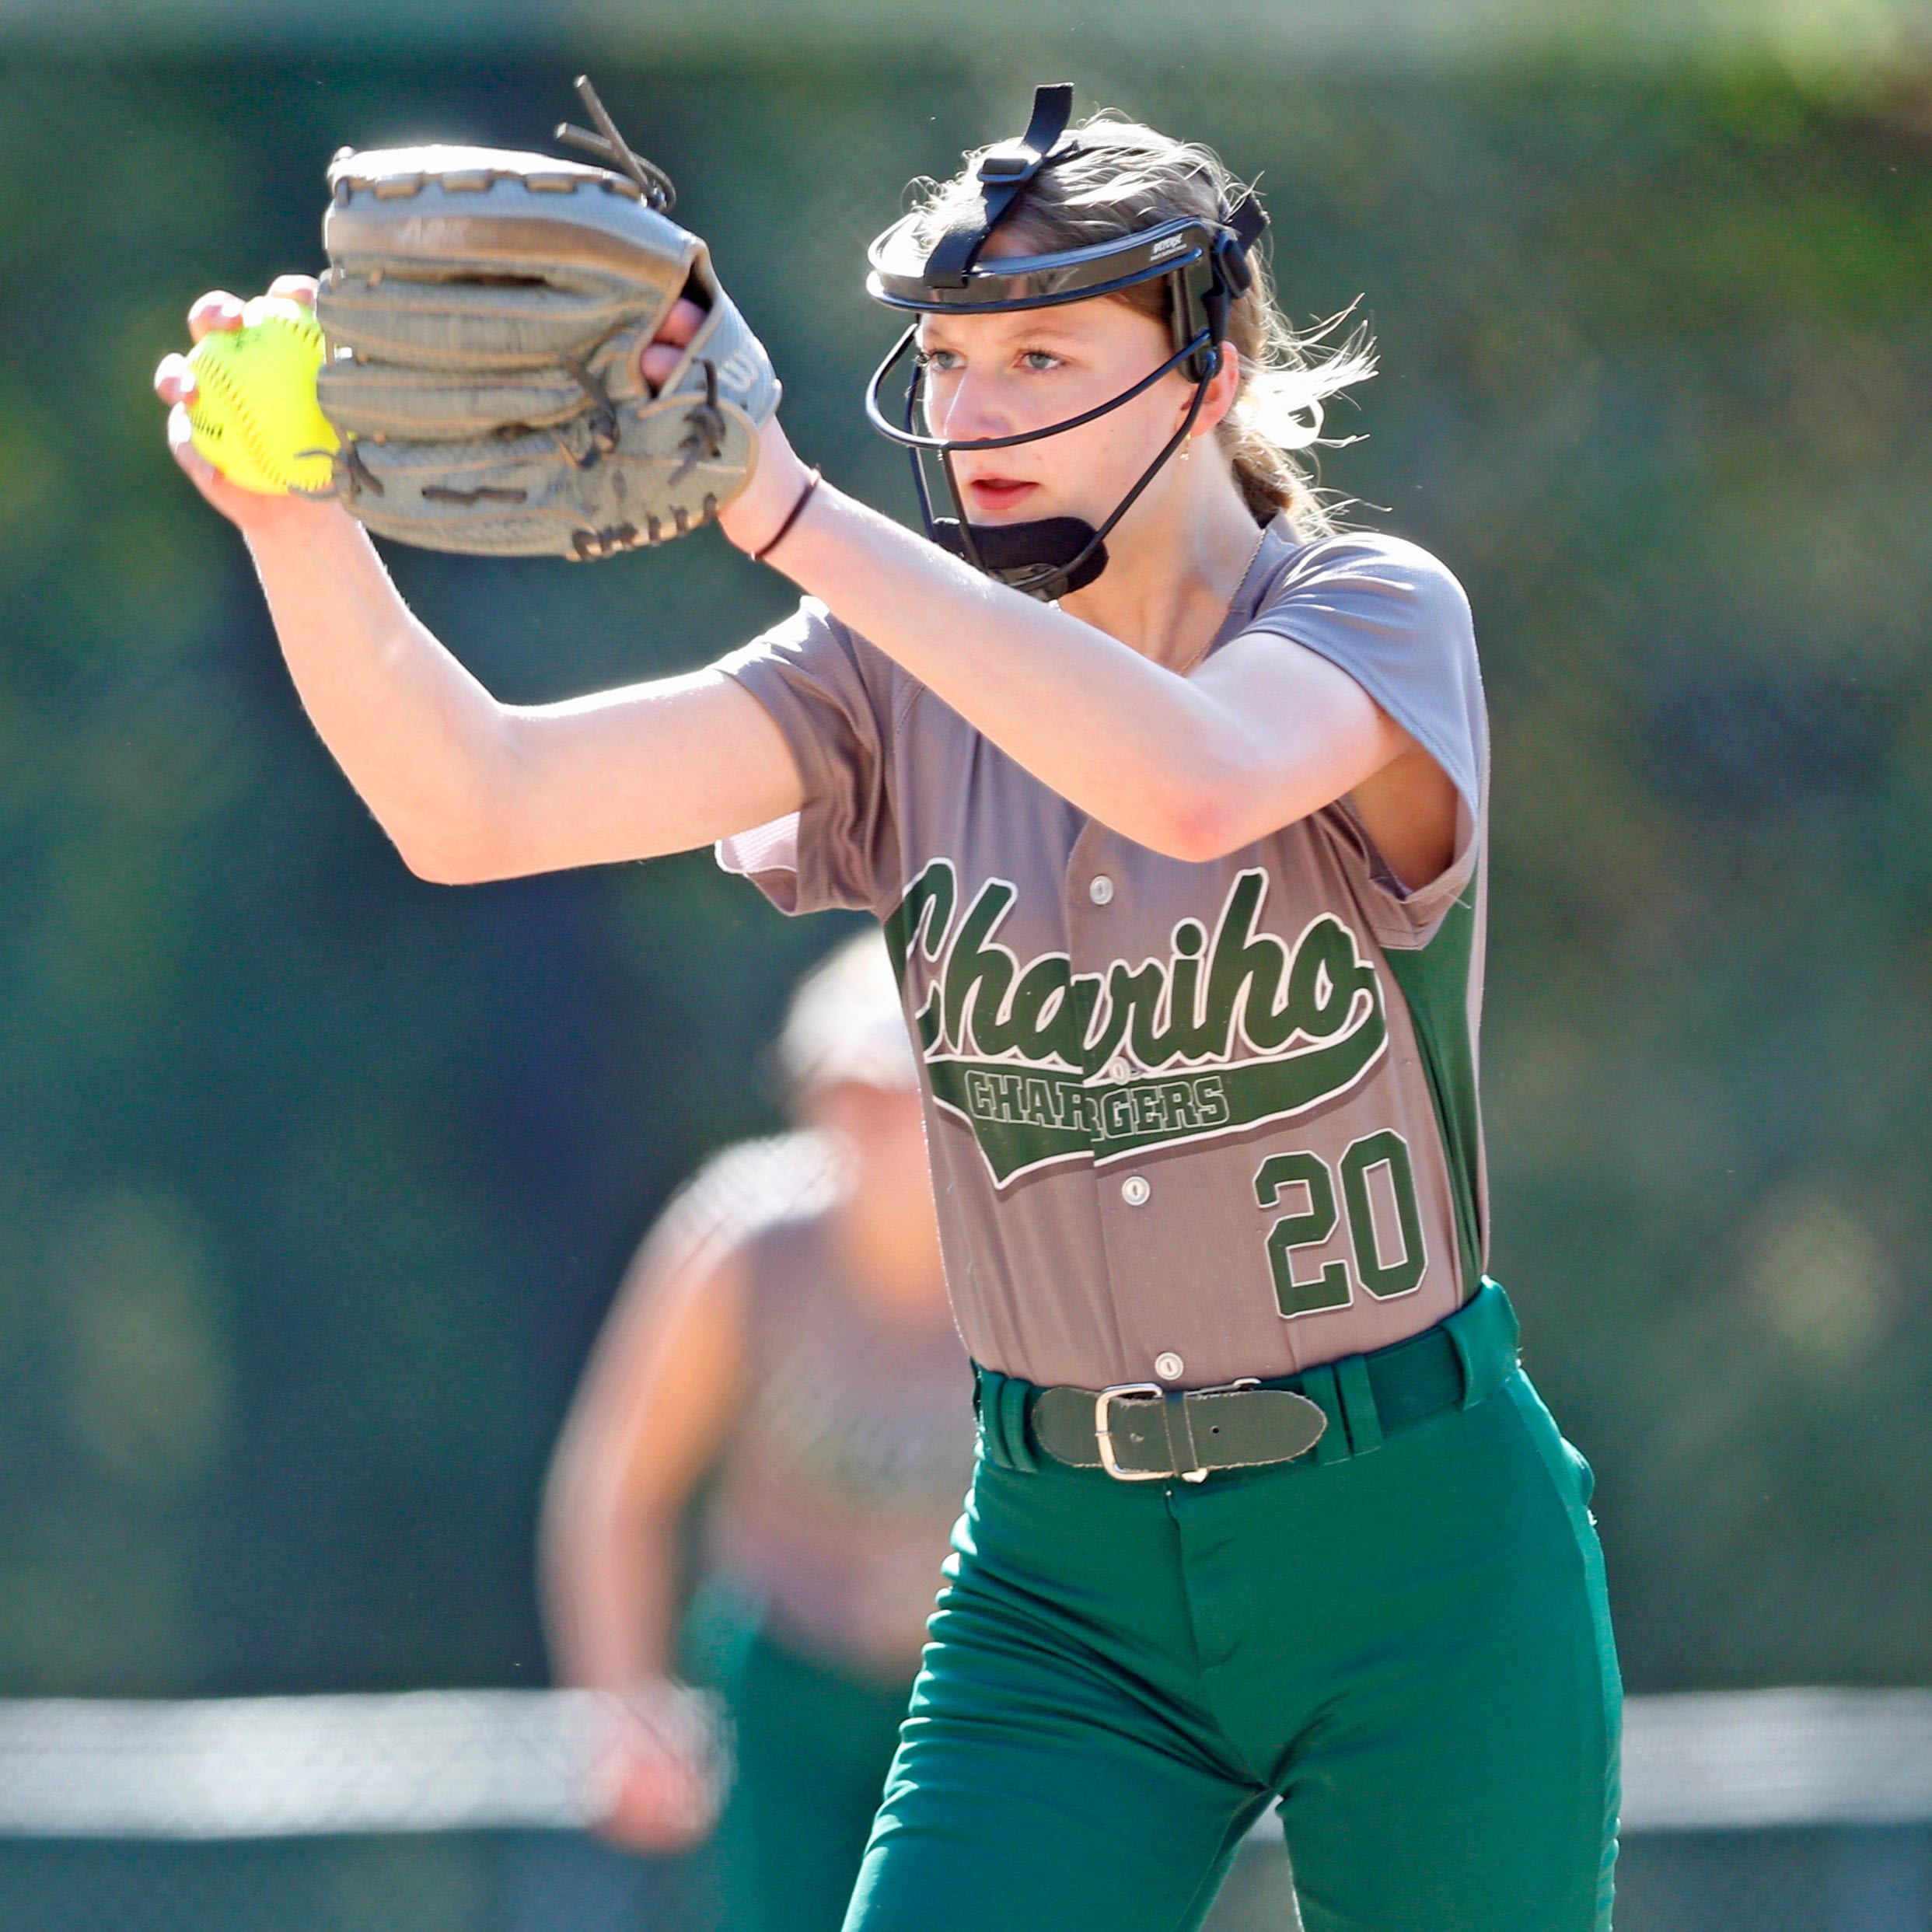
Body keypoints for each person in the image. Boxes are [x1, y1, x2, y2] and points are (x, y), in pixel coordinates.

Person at [155, 84, 1621, 1932]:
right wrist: (298, 531)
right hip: (1061, 1576)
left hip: (1414, 1535)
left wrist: (780, 504)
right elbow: (478, 806)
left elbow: (1184, 781)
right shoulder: (885, 677)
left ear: (1207, 367)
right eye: (943, 358)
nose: (972, 408)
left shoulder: (1366, 609)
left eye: (1038, 353)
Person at [540, 930, 974, 1932]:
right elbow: (619, 1481)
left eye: (893, 1092)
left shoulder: (1037, 1251)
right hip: (792, 1688)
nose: (860, 1122)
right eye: (839, 1091)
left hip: (986, 1686)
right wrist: (622, 1697)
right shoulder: (743, 1242)